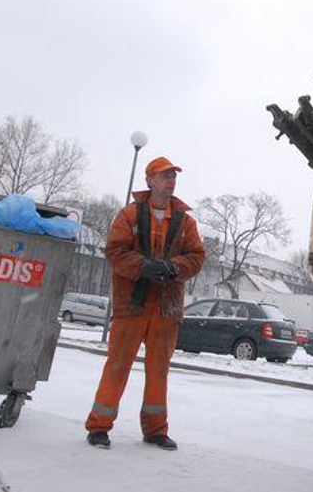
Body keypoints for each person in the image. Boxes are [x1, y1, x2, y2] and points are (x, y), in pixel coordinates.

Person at [85, 156, 206, 451]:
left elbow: (197, 256)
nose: (171, 181)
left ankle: (155, 430)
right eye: (165, 176)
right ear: (150, 180)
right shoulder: (129, 214)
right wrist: (143, 267)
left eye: (173, 177)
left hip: (167, 308)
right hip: (132, 305)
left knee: (159, 370)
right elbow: (114, 251)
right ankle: (99, 427)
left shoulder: (185, 222)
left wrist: (173, 267)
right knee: (118, 365)